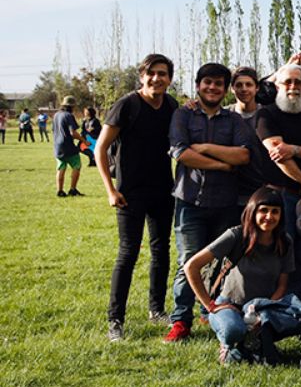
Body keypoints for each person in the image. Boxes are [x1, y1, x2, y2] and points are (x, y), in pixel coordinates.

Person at [164, 63, 251, 343]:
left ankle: (210, 309)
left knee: (220, 262)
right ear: (198, 85)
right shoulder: (183, 115)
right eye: (207, 82)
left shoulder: (234, 120)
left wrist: (203, 149)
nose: (212, 88)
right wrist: (222, 165)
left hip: (225, 203)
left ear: (225, 90)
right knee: (187, 261)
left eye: (218, 84)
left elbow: (243, 156)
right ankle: (180, 321)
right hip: (190, 201)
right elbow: (181, 154)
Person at [96, 53, 179, 341]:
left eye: (163, 74)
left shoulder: (170, 104)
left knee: (161, 252)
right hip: (129, 193)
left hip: (162, 190)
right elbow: (100, 148)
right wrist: (111, 190)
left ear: (170, 78)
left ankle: (156, 310)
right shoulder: (127, 105)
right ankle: (115, 321)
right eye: (151, 73)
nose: (157, 78)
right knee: (127, 254)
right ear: (142, 76)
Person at [181, 187, 301, 365]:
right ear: (253, 211)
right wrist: (210, 305)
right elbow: (191, 266)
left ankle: (252, 342)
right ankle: (231, 344)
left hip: (261, 307)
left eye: (275, 212)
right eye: (263, 211)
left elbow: (282, 285)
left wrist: (265, 310)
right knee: (233, 330)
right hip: (229, 305)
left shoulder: (285, 241)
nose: (269, 217)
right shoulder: (236, 235)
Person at [256, 63, 301, 291]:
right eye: (288, 82)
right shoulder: (266, 114)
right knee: (280, 253)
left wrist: (293, 149)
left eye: (298, 82)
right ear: (277, 86)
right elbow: (278, 154)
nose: (293, 86)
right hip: (279, 196)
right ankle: (276, 305)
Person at [227, 66, 269, 208]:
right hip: (230, 192)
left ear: (257, 88)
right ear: (232, 88)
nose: (244, 89)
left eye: (249, 84)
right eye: (238, 85)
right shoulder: (224, 115)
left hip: (262, 189)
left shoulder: (268, 115)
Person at [53, 96, 86, 197]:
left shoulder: (56, 115)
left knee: (61, 168)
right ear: (72, 106)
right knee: (77, 165)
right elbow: (73, 133)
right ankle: (73, 189)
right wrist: (83, 140)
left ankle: (60, 191)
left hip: (58, 146)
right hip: (68, 145)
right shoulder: (68, 115)